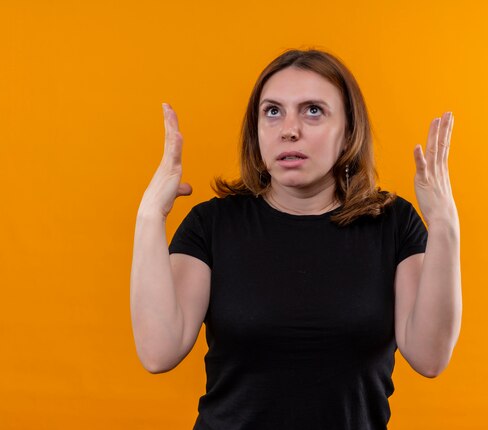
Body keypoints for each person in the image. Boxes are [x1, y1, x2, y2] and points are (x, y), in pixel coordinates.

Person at [130, 48, 462, 429]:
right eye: (273, 111)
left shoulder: (393, 224)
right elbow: (159, 351)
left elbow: (430, 357)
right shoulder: (213, 224)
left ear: (349, 131)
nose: (289, 129)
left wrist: (444, 224)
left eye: (313, 111)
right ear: (256, 130)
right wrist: (149, 216)